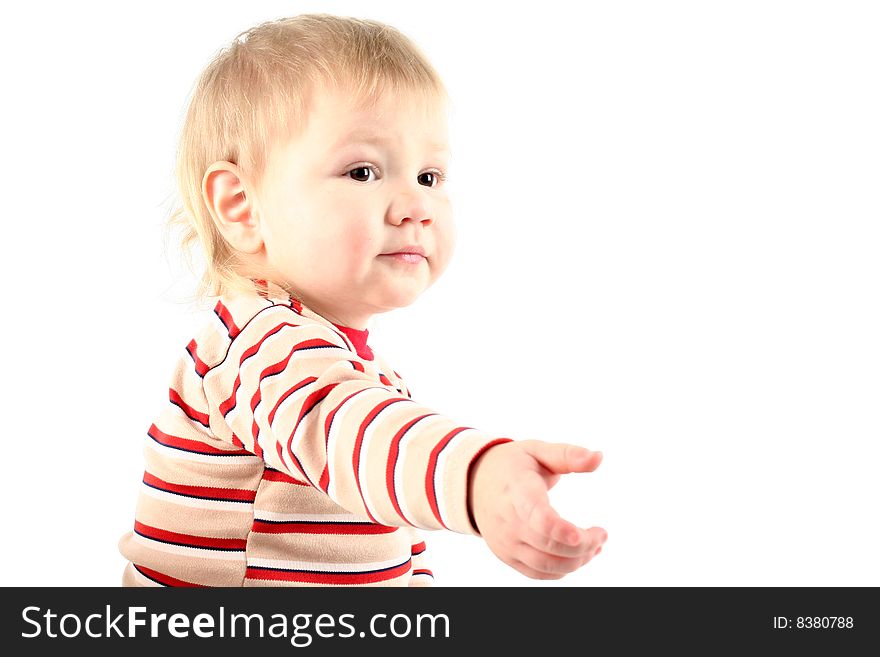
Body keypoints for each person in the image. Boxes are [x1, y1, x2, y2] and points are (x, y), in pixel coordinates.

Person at [118, 13, 607, 587]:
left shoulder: (345, 363)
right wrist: (474, 482)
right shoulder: (259, 349)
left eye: (430, 176)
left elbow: (387, 541)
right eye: (363, 170)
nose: (415, 205)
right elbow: (347, 431)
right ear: (242, 206)